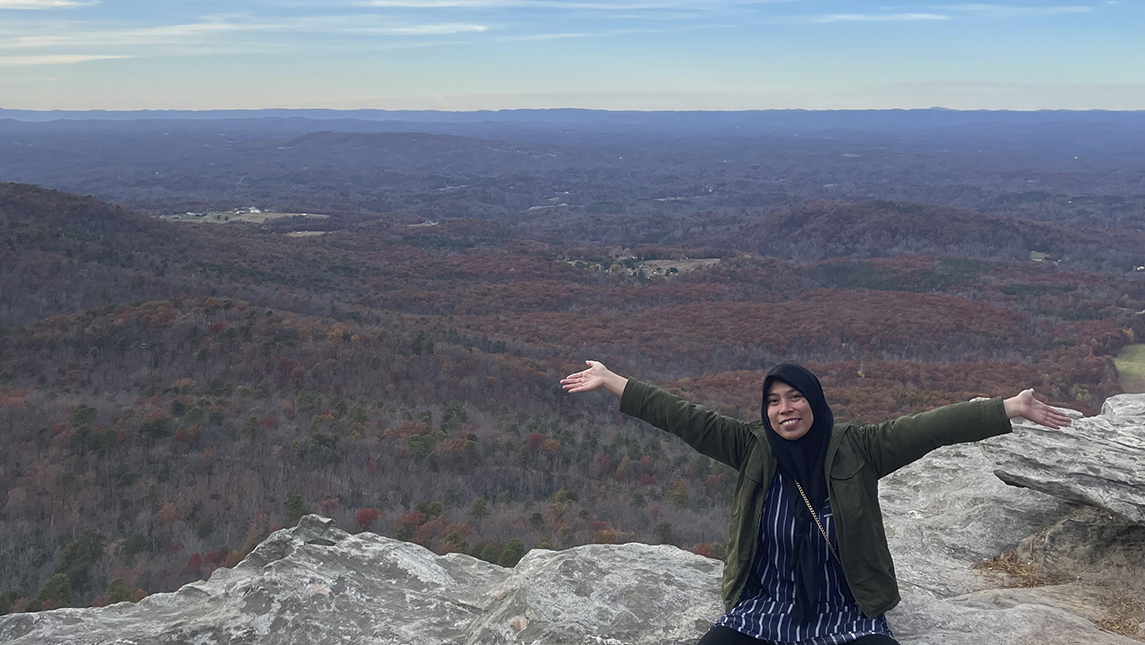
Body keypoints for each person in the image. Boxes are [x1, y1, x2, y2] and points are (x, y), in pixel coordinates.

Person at [561, 360, 1071, 645]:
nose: (786, 409)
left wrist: (1008, 407)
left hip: (846, 612)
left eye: (795, 397)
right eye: (774, 400)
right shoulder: (750, 446)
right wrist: (613, 380)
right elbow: (682, 415)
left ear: (815, 400)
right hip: (766, 607)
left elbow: (931, 429)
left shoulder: (859, 447)